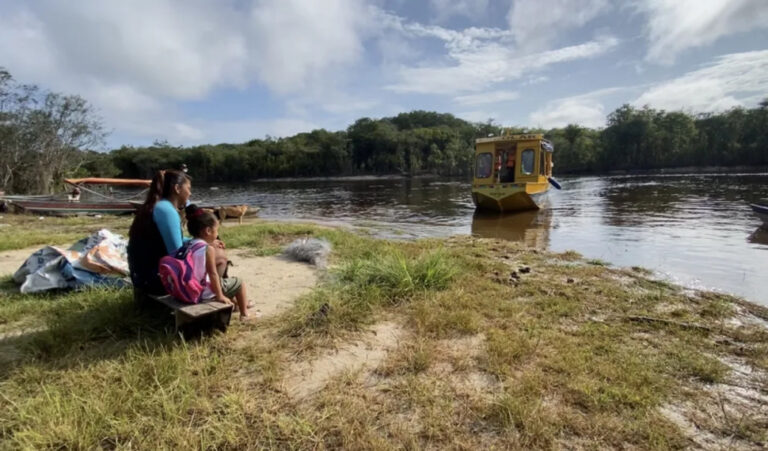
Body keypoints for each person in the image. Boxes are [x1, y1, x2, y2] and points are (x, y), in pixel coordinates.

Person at [127, 169, 193, 295]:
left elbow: (174, 240)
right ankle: (217, 296)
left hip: (142, 277)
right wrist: (203, 249)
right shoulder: (167, 211)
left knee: (209, 249)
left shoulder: (157, 206)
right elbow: (177, 254)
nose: (190, 193)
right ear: (177, 189)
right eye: (188, 188)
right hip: (156, 280)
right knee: (216, 257)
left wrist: (199, 241)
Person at [185, 204, 255, 320]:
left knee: (224, 283)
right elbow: (213, 274)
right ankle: (245, 314)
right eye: (216, 230)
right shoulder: (208, 249)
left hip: (191, 287)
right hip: (203, 290)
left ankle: (235, 304)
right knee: (239, 283)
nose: (217, 234)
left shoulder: (189, 244)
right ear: (208, 231)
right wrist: (219, 295)